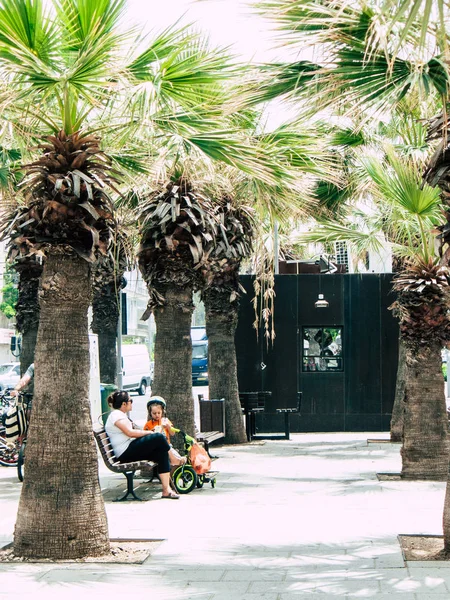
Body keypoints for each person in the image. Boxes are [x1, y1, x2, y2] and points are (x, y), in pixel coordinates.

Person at [104, 390, 179, 499]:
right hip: (125, 453)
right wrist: (150, 432)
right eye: (131, 401)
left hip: (130, 448)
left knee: (160, 452)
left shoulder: (120, 415)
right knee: (159, 437)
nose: (132, 403)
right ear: (124, 404)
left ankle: (166, 490)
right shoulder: (116, 415)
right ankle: (173, 459)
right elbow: (130, 433)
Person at [144, 396, 186, 467]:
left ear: (162, 412)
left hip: (168, 446)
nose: (157, 415)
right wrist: (161, 427)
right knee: (179, 460)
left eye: (158, 413)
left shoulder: (165, 420)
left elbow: (172, 433)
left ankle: (172, 476)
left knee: (180, 462)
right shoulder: (148, 424)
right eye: (154, 413)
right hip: (156, 448)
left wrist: (169, 427)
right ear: (150, 413)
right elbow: (152, 437)